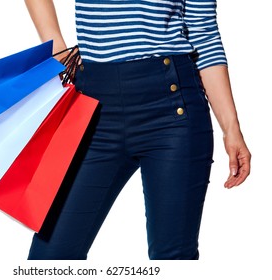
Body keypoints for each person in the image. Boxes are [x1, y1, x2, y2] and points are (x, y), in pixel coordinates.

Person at [24, 0, 251, 260]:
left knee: (173, 256)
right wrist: (55, 46)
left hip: (173, 108)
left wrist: (231, 128)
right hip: (94, 107)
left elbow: (204, 33)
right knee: (50, 257)